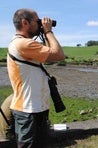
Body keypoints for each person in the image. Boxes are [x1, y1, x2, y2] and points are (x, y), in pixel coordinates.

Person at [7, 8, 65, 147]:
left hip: (34, 109)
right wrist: (48, 31)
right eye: (37, 21)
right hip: (28, 110)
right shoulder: (23, 43)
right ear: (25, 22)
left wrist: (44, 34)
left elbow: (49, 53)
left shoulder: (25, 44)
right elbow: (58, 55)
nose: (40, 24)